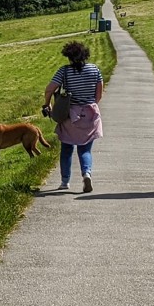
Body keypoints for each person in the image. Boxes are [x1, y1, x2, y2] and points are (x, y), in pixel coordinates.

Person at [42, 40, 104, 193]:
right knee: (85, 150)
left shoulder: (64, 71)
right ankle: (86, 174)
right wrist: (90, 105)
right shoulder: (94, 69)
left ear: (69, 57)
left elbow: (50, 89)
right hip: (90, 113)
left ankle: (65, 181)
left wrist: (47, 103)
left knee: (67, 148)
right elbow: (99, 93)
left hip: (70, 115)